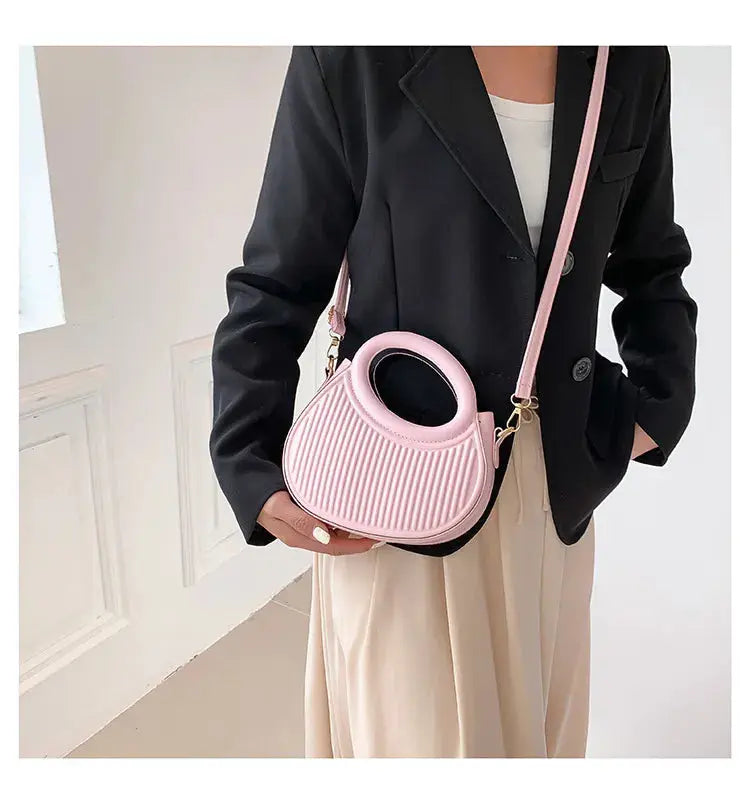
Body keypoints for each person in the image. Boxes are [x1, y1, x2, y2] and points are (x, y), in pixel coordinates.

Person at [209, 46, 697, 758]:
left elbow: (650, 258)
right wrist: (249, 461)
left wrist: (662, 402)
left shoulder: (627, 55)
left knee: (543, 739)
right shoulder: (351, 52)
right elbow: (277, 279)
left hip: (554, 486)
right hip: (394, 481)